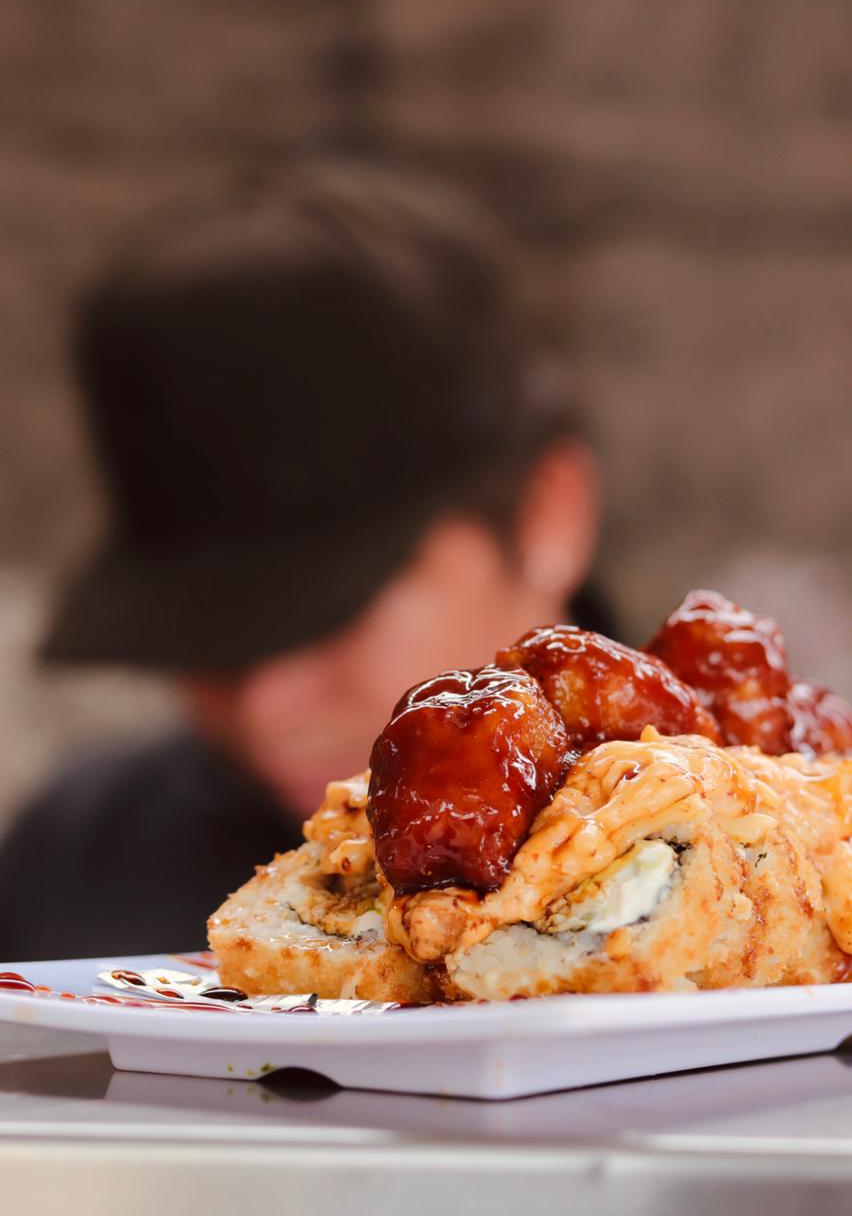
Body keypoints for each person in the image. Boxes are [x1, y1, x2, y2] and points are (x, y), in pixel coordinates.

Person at [0, 161, 605, 958]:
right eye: (203, 631)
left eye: (329, 611)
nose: (266, 710)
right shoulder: (70, 866)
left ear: (544, 513)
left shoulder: (757, 860)